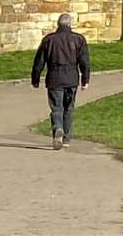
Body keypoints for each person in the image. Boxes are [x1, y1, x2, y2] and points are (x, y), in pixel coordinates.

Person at [31, 12, 90, 150]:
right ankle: (66, 138)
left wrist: (35, 78)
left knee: (56, 108)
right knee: (69, 109)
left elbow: (39, 61)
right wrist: (85, 79)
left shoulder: (49, 40)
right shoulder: (79, 39)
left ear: (58, 24)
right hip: (72, 78)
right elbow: (84, 61)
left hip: (54, 78)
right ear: (70, 24)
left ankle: (58, 128)